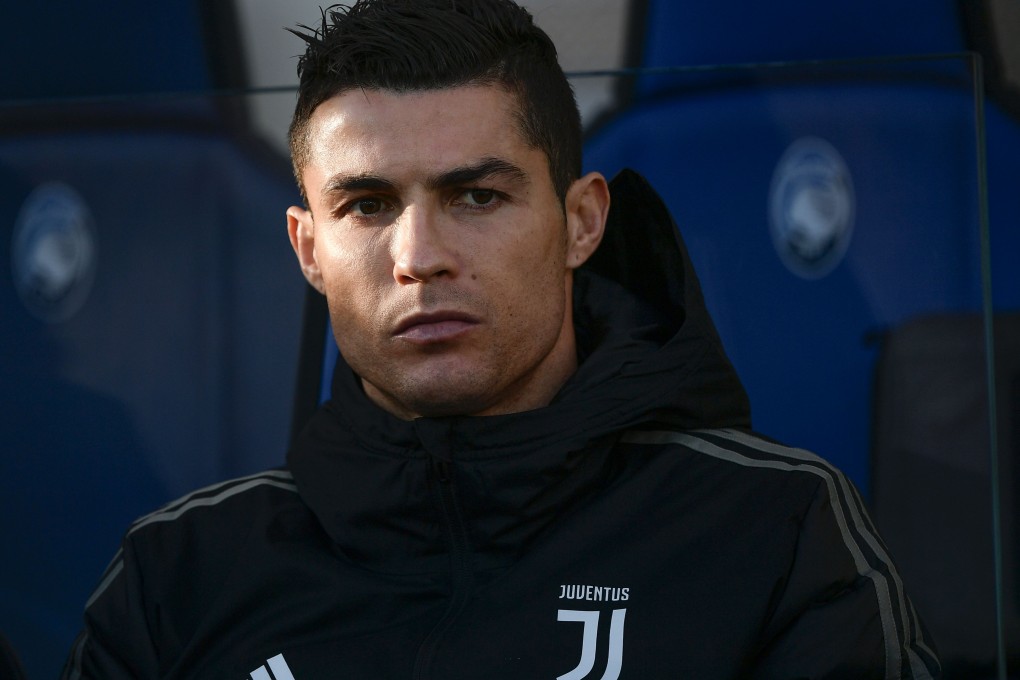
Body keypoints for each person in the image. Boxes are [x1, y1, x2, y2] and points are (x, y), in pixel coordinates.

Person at [62, 1, 941, 678]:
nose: (420, 257)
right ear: (307, 249)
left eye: (477, 196)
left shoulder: (773, 533)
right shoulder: (176, 575)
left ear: (583, 220)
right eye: (366, 206)